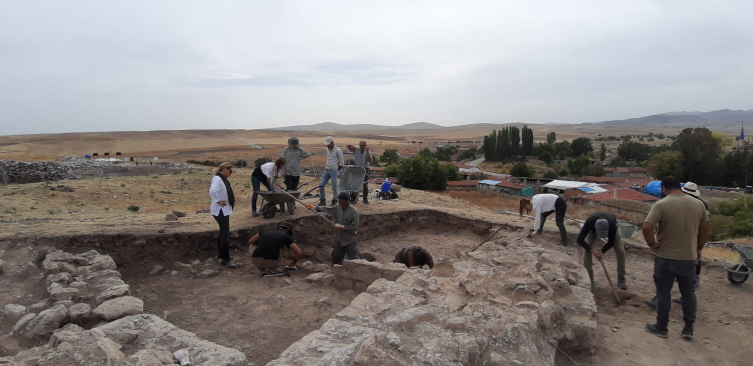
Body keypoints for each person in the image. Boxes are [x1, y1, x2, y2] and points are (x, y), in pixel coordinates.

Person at [643, 176, 709, 340]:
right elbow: (705, 229)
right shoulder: (698, 204)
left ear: (664, 189)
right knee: (688, 292)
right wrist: (699, 248)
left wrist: (652, 244)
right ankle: (688, 328)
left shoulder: (661, 204)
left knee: (664, 292)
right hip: (689, 257)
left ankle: (661, 327)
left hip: (665, 256)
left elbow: (647, 226)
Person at [576, 212, 627, 291]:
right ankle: (589, 276)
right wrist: (591, 250)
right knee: (586, 247)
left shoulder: (612, 226)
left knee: (621, 251)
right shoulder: (590, 222)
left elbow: (611, 242)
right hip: (593, 230)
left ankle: (621, 277)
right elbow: (579, 240)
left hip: (611, 229)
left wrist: (602, 251)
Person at [306, 192, 359, 265]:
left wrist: (342, 226)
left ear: (345, 201)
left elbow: (354, 227)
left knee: (353, 259)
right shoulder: (337, 208)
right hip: (339, 239)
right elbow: (326, 208)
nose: (338, 201)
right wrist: (314, 207)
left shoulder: (354, 211)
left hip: (350, 239)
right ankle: (336, 271)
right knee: (336, 257)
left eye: (339, 200)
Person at [209, 162, 236, 268]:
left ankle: (221, 255)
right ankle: (225, 259)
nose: (230, 174)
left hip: (223, 210)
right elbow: (212, 191)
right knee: (225, 233)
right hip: (220, 210)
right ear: (224, 170)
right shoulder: (218, 179)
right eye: (230, 171)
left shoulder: (221, 179)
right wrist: (217, 201)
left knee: (223, 231)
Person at [319, 136, 344, 206]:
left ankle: (335, 200)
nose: (327, 145)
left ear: (332, 143)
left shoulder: (338, 151)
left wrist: (336, 170)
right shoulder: (327, 150)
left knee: (334, 186)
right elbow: (328, 159)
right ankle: (322, 200)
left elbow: (342, 163)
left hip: (334, 170)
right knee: (321, 185)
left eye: (328, 144)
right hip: (327, 169)